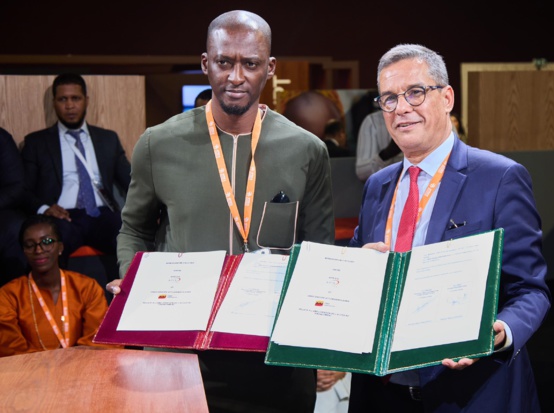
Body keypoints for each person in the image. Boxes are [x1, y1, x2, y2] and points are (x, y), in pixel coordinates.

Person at [109, 10, 334, 413]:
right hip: (177, 353)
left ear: (270, 68)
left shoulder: (306, 150)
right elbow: (133, 230)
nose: (235, 77)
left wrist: (321, 343)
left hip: (274, 359)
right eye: (224, 62)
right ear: (205, 63)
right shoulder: (158, 144)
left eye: (249, 64)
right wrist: (133, 281)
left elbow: (318, 252)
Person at [347, 44, 551, 412]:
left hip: (470, 392)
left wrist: (501, 330)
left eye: (415, 92)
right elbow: (358, 274)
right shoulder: (377, 186)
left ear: (446, 98)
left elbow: (530, 289)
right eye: (389, 99)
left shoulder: (499, 178)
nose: (402, 108)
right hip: (381, 393)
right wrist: (357, 267)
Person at [20, 73, 131, 269]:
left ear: (86, 101)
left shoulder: (107, 139)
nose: (70, 106)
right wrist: (45, 208)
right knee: (48, 244)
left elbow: (132, 181)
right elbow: (23, 190)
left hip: (102, 214)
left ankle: (128, 297)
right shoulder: (37, 142)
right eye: (63, 99)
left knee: (128, 237)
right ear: (54, 102)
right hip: (62, 216)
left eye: (75, 98)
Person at [0, 215, 121, 357]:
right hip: (30, 374)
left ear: (60, 247)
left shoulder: (86, 287)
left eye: (47, 241)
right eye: (30, 245)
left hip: (80, 371)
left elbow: (99, 341)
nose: (38, 250)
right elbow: (10, 349)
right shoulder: (8, 295)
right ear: (23, 251)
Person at [0, 127, 28, 285]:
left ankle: (13, 298)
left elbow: (16, 186)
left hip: (1, 210)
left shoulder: (1, 139)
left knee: (15, 227)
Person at [355, 109, 403, 182]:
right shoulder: (373, 122)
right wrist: (386, 154)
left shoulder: (422, 117)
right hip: (390, 187)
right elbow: (362, 173)